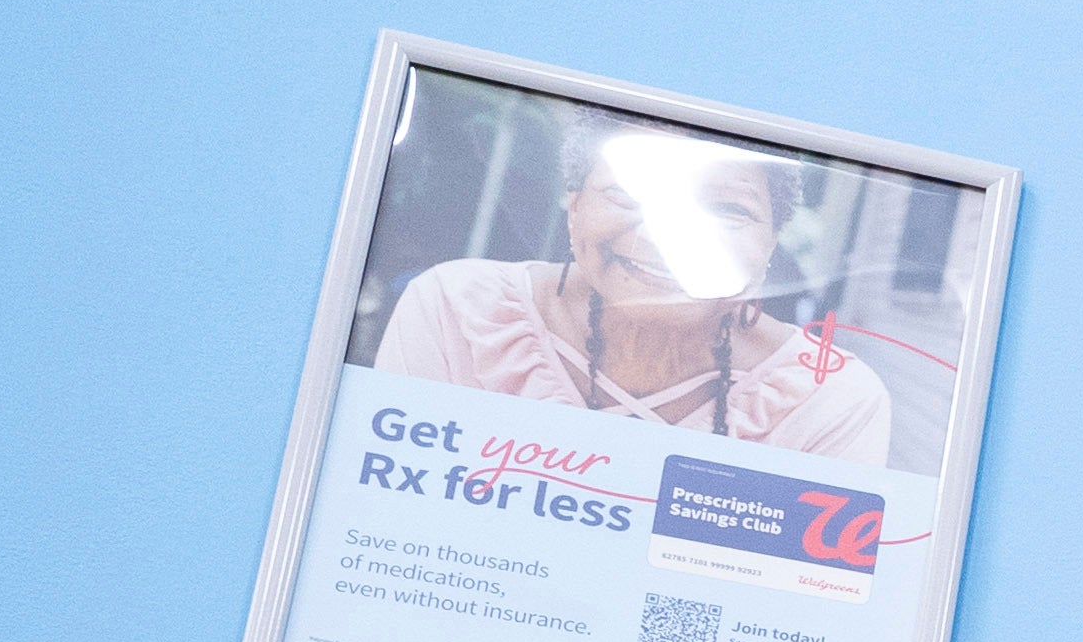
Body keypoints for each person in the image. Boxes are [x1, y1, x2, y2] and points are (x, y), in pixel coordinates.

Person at [372, 116, 902, 463]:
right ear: (575, 205)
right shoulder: (457, 311)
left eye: (728, 209)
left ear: (770, 244)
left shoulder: (829, 401)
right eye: (630, 194)